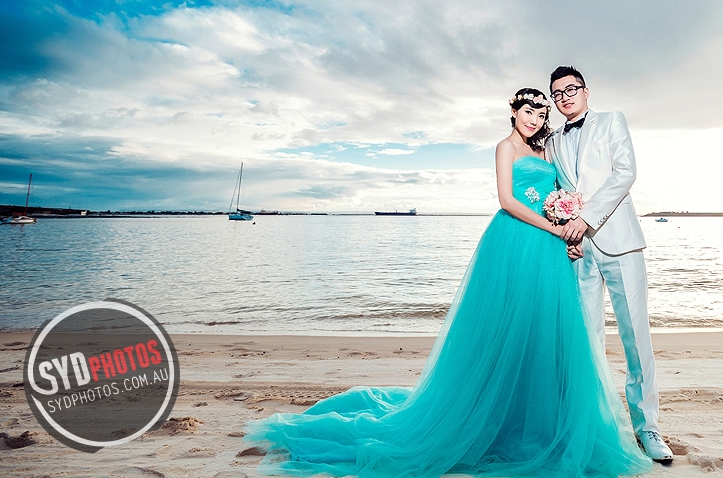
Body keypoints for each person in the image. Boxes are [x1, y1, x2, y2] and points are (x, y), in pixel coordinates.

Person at [244, 88, 652, 478]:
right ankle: (493, 415)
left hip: (548, 249)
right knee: (503, 329)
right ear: (513, 112)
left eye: (541, 113)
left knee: (545, 333)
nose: (534, 119)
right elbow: (507, 200)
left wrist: (565, 229)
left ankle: (543, 416)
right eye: (528, 111)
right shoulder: (505, 147)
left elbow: (564, 192)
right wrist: (554, 227)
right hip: (515, 241)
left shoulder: (547, 149)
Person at [546, 66, 672, 463]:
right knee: (586, 341)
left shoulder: (612, 121)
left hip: (620, 242)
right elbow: (554, 191)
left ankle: (647, 427)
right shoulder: (551, 141)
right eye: (557, 94)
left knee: (636, 336)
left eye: (571, 89)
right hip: (578, 250)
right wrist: (565, 230)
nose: (564, 97)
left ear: (586, 90)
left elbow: (625, 173)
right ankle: (595, 425)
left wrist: (586, 218)